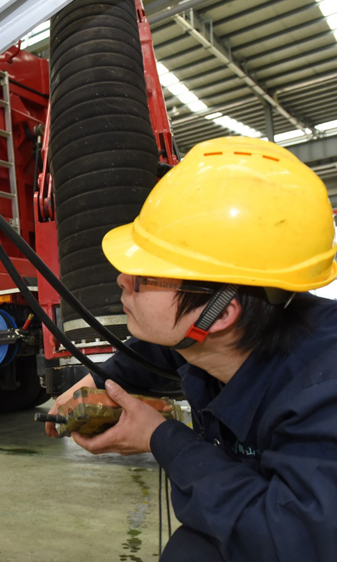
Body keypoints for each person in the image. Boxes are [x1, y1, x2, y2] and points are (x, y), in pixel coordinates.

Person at [45, 136, 337, 561]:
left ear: (219, 313)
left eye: (145, 276)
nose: (123, 281)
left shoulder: (323, 394)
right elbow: (157, 352)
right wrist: (99, 379)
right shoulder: (228, 336)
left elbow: (294, 538)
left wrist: (160, 436)